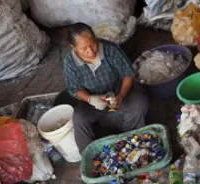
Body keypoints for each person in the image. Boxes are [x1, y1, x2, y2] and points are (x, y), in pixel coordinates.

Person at [63, 23, 149, 152]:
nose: (90, 51)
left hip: (118, 92)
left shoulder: (110, 49)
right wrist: (91, 99)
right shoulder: (70, 62)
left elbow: (128, 74)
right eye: (83, 48)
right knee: (79, 117)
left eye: (92, 44)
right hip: (94, 101)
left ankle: (130, 141)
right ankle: (89, 154)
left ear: (95, 38)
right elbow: (74, 89)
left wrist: (121, 95)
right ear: (73, 47)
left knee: (139, 103)